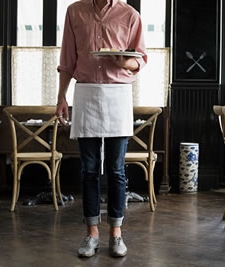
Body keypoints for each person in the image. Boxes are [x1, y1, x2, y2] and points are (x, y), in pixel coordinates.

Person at [55, 0, 147, 258]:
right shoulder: (74, 11)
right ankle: (91, 233)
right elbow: (67, 60)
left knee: (117, 170)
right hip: (85, 93)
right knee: (89, 169)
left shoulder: (130, 15)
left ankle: (116, 233)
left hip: (118, 95)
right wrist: (62, 97)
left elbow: (139, 60)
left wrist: (123, 62)